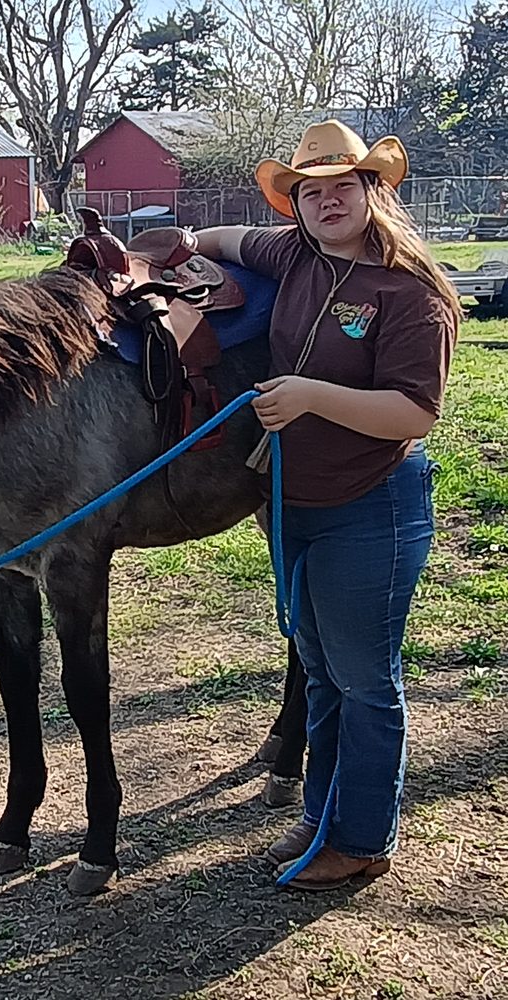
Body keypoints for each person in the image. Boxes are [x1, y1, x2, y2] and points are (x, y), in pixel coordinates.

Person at [196, 120, 460, 890]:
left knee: (365, 680)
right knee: (317, 667)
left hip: (370, 504)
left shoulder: (411, 294)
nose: (327, 201)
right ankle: (322, 815)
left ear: (374, 192)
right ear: (297, 206)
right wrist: (177, 241)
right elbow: (225, 239)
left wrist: (311, 396)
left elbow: (415, 412)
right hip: (292, 502)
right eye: (311, 192)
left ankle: (364, 839)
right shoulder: (294, 254)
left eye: (343, 186)